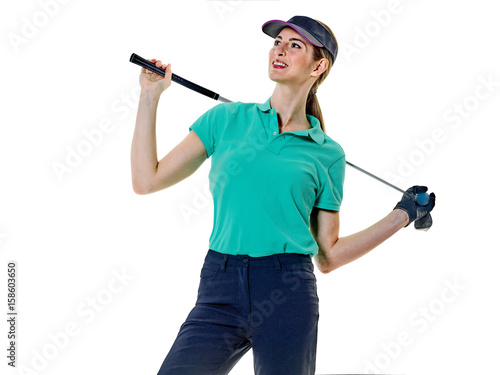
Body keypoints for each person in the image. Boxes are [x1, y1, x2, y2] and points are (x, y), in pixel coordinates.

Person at [130, 15, 435, 375]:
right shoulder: (225, 119)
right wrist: (150, 97)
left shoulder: (327, 154)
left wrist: (402, 215)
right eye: (278, 42)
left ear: (318, 66)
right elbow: (145, 181)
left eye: (295, 46)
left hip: (286, 290)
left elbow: (329, 255)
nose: (280, 50)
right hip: (219, 284)